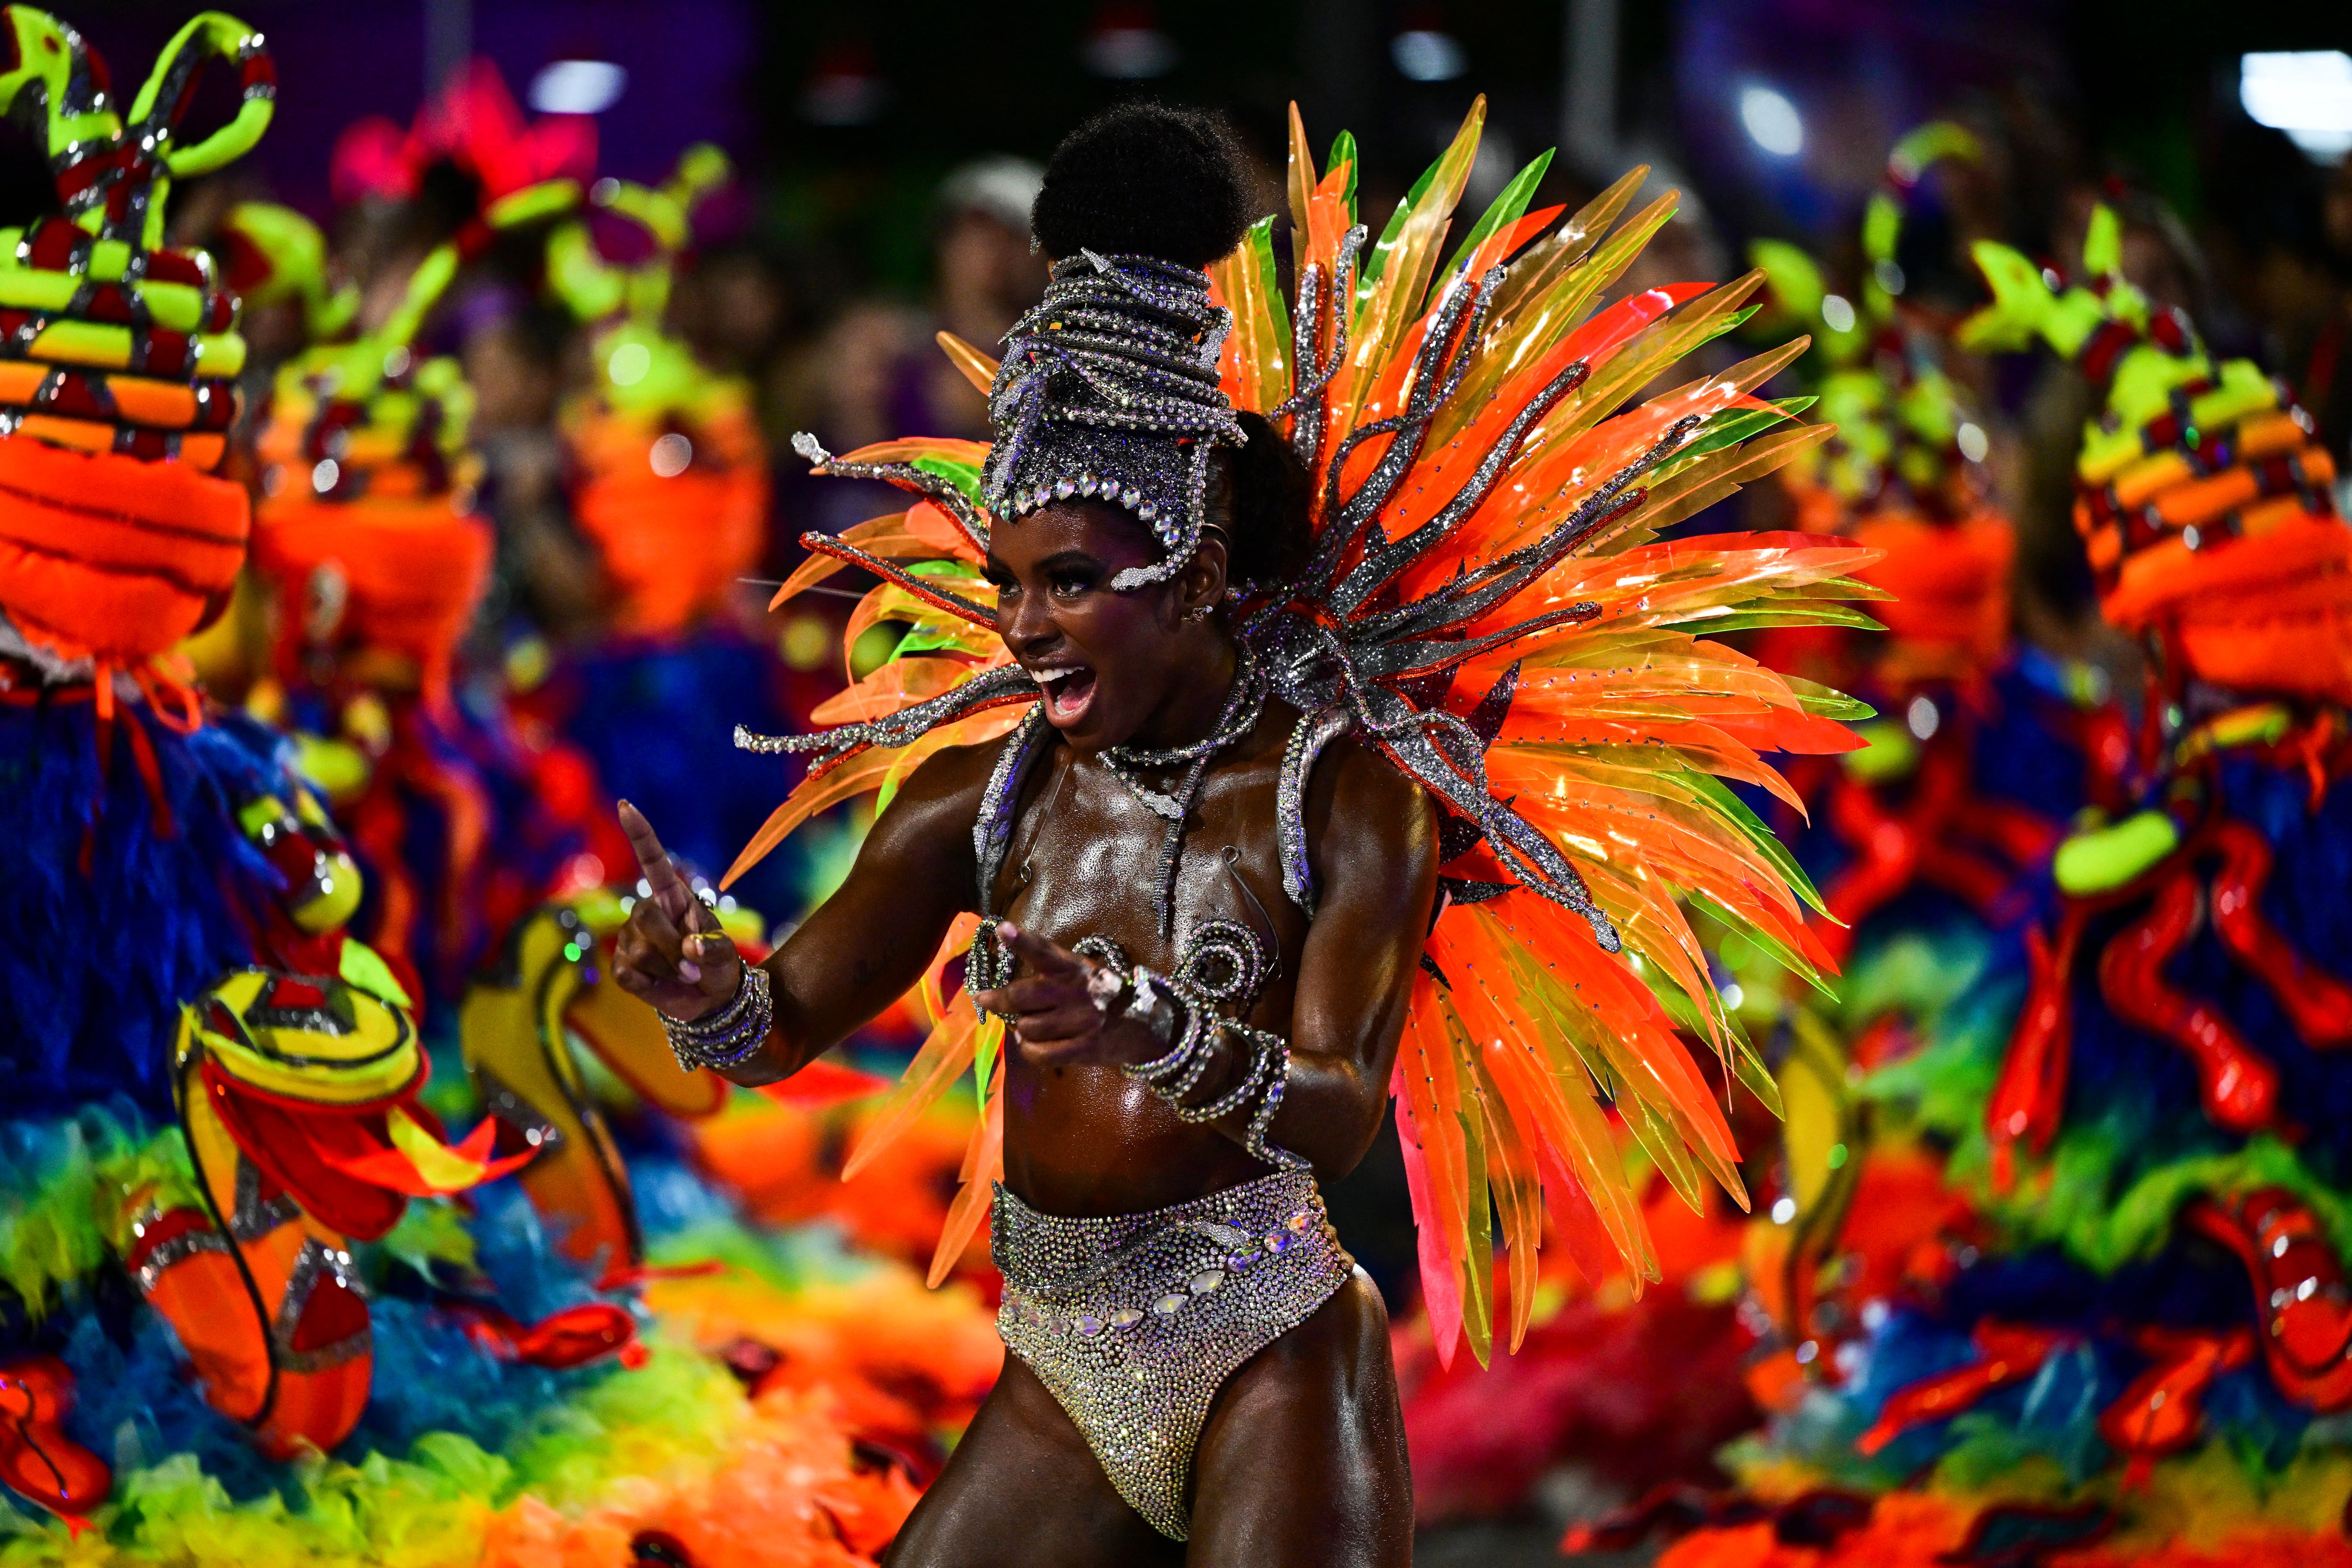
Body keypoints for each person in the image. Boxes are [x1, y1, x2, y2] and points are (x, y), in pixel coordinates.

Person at [614, 100, 1858, 1563]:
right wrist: (707, 994)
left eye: (1071, 583)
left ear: (1198, 571)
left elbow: (1337, 1109)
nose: (1024, 631)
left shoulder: (1343, 793)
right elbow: (785, 1028)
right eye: (1009, 583)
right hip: (1061, 1372)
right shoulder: (981, 794)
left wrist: (1147, 1019)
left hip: (1272, 1355)